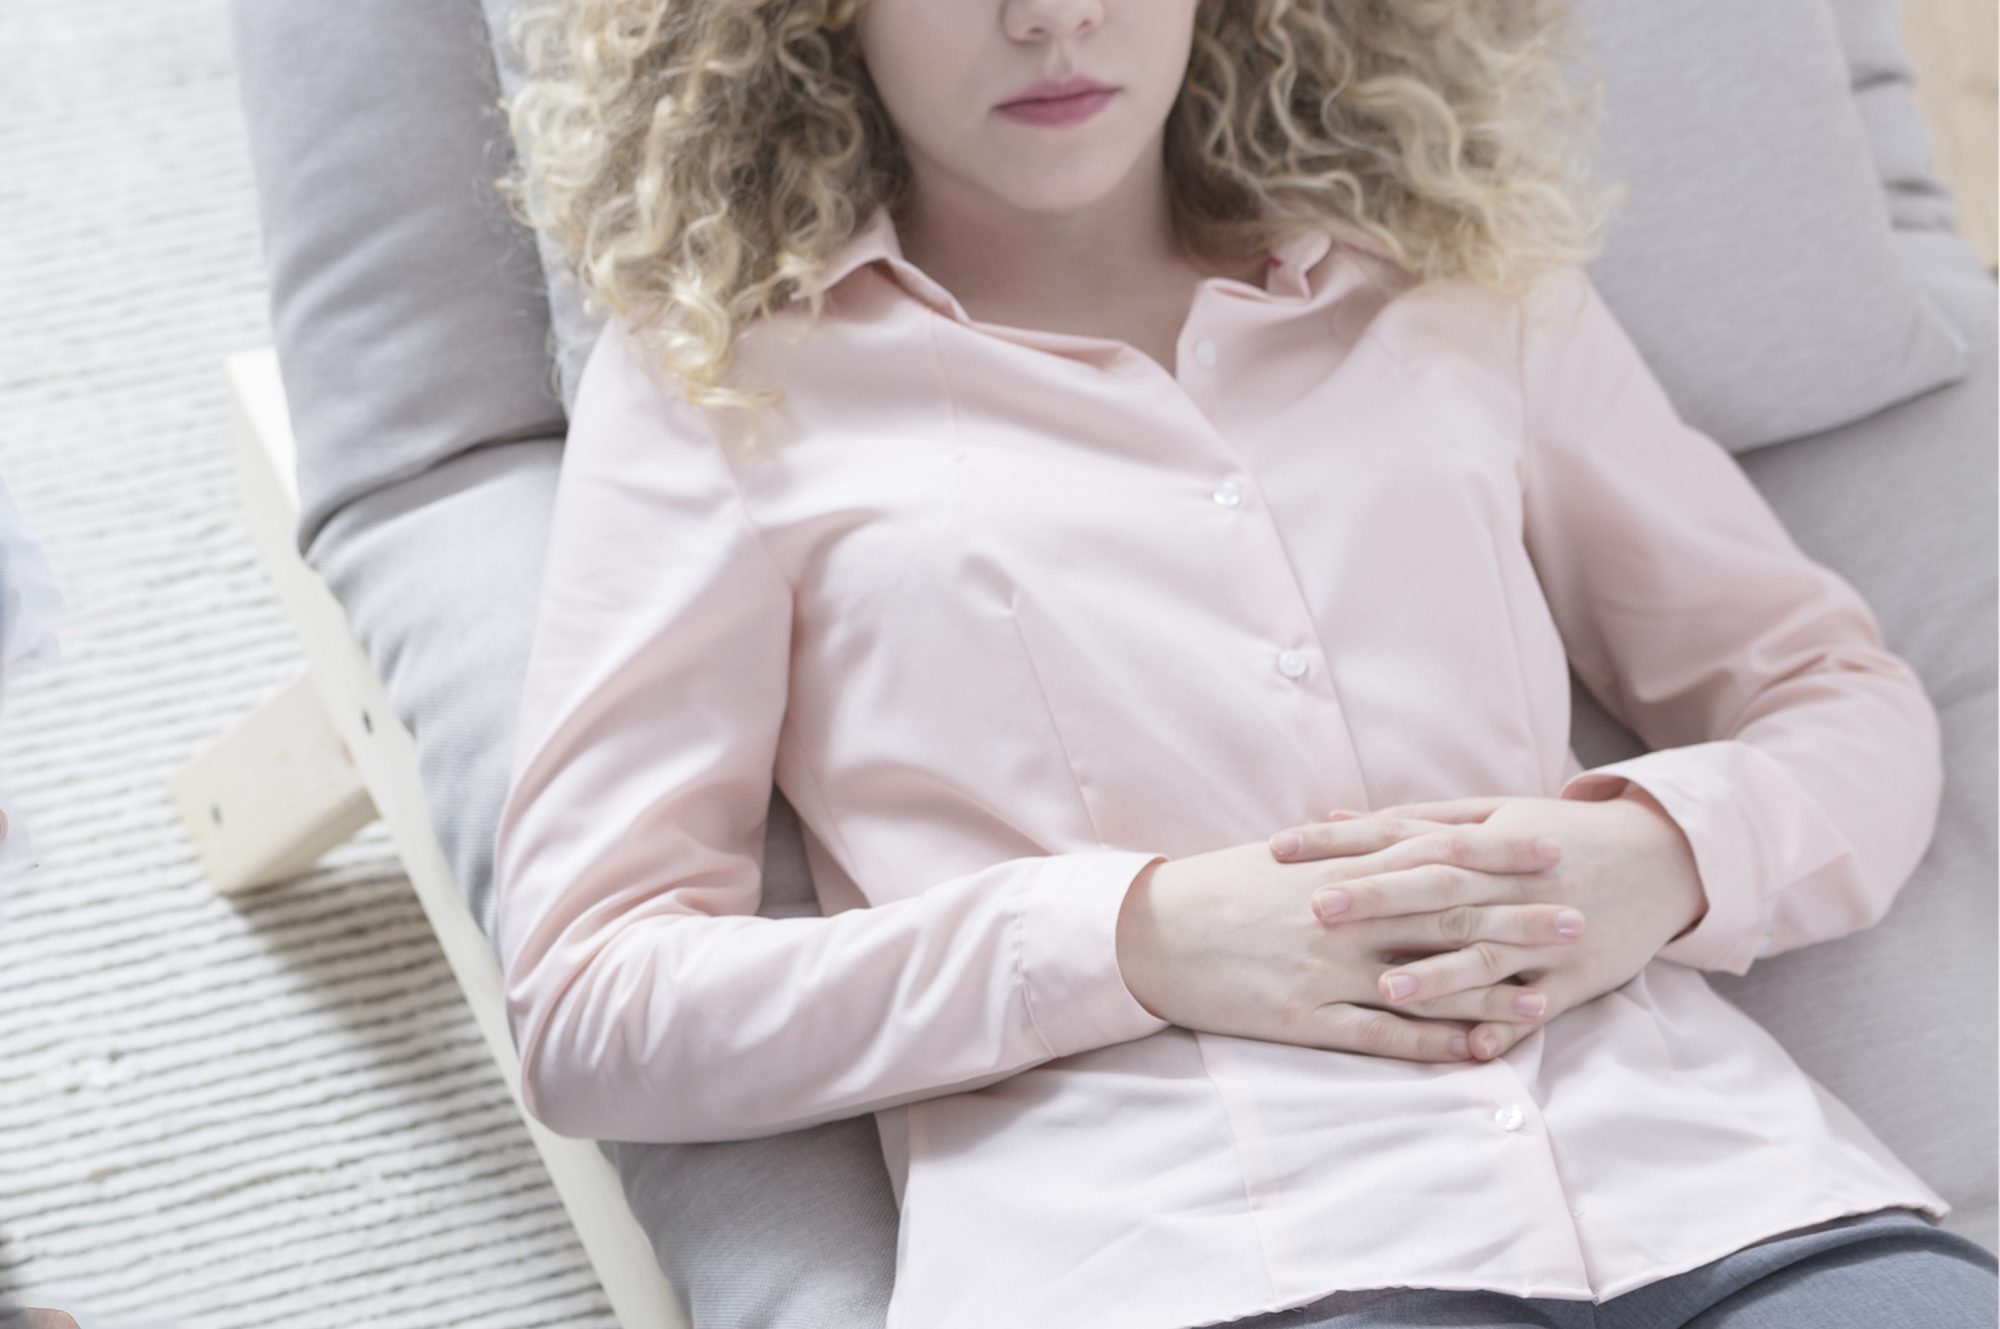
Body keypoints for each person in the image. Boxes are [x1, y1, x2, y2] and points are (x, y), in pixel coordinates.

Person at [484, 1, 2000, 1326]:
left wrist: (1658, 853)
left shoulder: (1451, 278)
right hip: (1191, 1254)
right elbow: (592, 1001)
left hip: (1723, 1192)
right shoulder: (723, 387)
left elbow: (1838, 700)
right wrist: (1135, 937)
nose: (1054, 16)